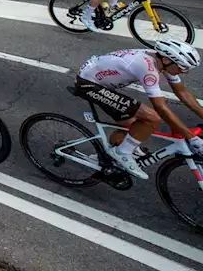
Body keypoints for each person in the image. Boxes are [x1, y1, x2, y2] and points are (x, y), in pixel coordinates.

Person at [73, 40, 203, 179]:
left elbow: (183, 93)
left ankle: (108, 159)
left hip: (99, 80)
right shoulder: (147, 68)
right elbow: (160, 107)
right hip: (88, 84)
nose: (185, 72)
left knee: (131, 125)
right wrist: (193, 138)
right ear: (166, 59)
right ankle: (122, 153)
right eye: (183, 68)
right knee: (151, 118)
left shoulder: (164, 63)